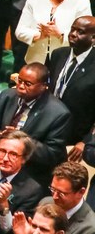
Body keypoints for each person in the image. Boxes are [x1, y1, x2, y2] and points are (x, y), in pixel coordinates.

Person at [0, 63, 72, 188]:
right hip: (2, 170)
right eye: (19, 81)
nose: (20, 86)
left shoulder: (58, 113)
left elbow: (52, 154)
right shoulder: (7, 96)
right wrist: (0, 138)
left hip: (32, 179)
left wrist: (21, 142)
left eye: (27, 84)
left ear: (43, 86)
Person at [16, 0, 91, 64]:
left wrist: (60, 34)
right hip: (35, 60)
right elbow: (20, 31)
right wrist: (39, 35)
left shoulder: (82, 2)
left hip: (65, 61)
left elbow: (86, 37)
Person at [49, 16, 95, 156]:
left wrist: (87, 141)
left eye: (80, 32)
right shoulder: (58, 54)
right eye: (72, 29)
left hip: (76, 136)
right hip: (50, 126)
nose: (73, 34)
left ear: (93, 38)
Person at [41, 162, 95, 234]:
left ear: (81, 192)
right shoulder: (45, 203)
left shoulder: (90, 229)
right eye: (53, 189)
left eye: (61, 193)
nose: (54, 197)